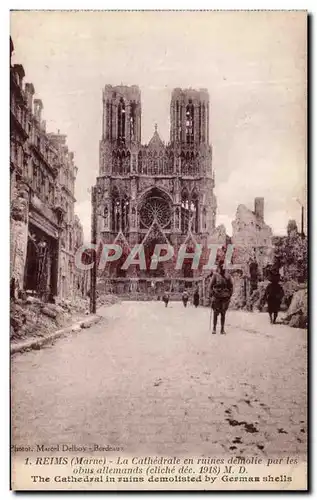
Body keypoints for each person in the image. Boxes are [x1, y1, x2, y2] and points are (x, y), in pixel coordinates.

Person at [209, 261, 233, 334]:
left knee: (223, 313)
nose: (223, 268)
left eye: (224, 267)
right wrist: (212, 294)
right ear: (219, 267)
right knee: (216, 312)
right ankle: (214, 328)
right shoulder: (215, 275)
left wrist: (229, 295)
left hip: (225, 297)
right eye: (221, 266)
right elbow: (210, 286)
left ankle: (222, 329)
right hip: (217, 296)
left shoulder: (228, 276)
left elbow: (231, 287)